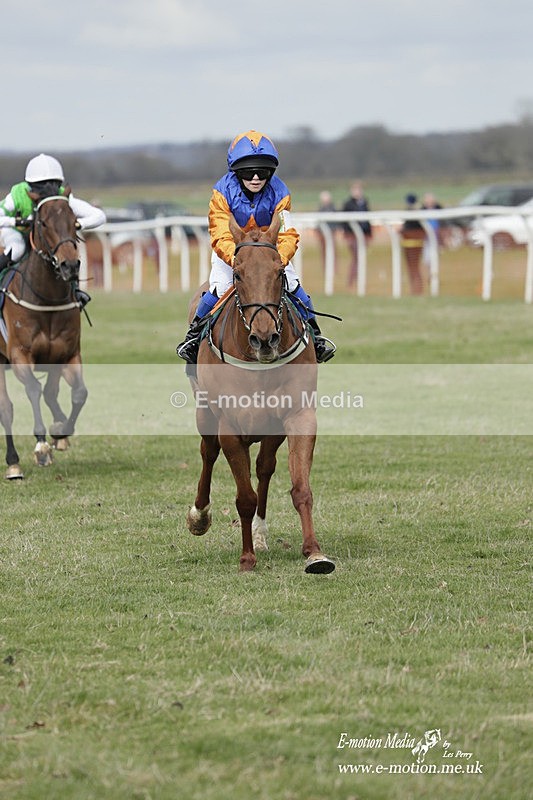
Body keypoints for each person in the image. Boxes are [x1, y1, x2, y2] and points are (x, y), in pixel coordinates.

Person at [176, 130, 335, 364]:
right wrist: (238, 259)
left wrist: (278, 260)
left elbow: (287, 232)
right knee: (219, 288)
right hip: (232, 254)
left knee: (292, 284)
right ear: (236, 172)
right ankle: (193, 338)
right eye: (249, 172)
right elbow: (220, 232)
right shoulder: (221, 193)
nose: (256, 177)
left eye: (263, 171)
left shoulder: (280, 192)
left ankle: (316, 335)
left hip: (270, 255)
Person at [0, 153, 106, 307]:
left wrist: (78, 224)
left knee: (65, 254)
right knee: (17, 249)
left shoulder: (63, 197)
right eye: (41, 186)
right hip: (17, 232)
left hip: (47, 237)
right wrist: (15, 221)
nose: (47, 189)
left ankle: (75, 292)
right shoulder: (17, 194)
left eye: (52, 184)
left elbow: (99, 216)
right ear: (30, 185)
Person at [341, 181, 372, 288]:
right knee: (357, 258)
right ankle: (352, 281)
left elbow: (368, 220)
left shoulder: (364, 202)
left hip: (363, 235)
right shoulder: (348, 204)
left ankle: (358, 280)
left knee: (359, 258)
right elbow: (344, 221)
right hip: (352, 236)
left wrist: (369, 234)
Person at [401, 193, 425, 295]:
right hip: (409, 243)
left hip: (414, 244)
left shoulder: (417, 212)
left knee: (414, 268)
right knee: (413, 268)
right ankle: (415, 288)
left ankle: (417, 289)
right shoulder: (416, 212)